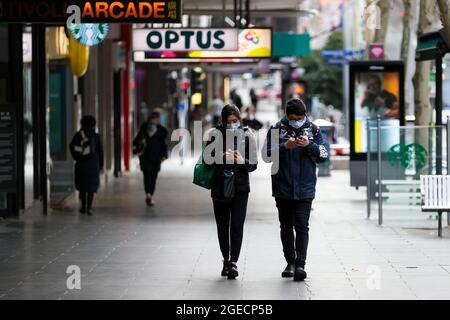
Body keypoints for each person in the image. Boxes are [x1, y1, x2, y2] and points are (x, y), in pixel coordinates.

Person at [262, 98, 328, 281]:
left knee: (302, 226)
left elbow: (324, 154)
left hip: (305, 187)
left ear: (305, 114)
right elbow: (266, 155)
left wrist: (309, 145)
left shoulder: (313, 130)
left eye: (299, 117)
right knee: (285, 226)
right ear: (287, 115)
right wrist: (285, 146)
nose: (296, 120)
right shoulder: (277, 129)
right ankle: (290, 262)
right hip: (282, 186)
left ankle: (301, 264)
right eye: (293, 118)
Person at [204, 104, 257, 280]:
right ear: (223, 121)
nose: (233, 124)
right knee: (222, 226)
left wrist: (242, 161)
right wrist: (220, 156)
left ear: (240, 120)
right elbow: (206, 162)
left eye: (236, 121)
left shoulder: (247, 136)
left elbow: (253, 165)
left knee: (236, 226)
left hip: (241, 188)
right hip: (219, 186)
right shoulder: (214, 135)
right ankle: (226, 259)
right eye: (229, 121)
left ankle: (233, 262)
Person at [69, 115, 104, 216]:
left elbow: (72, 147)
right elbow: (101, 152)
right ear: (94, 124)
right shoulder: (96, 136)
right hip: (93, 165)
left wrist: (77, 158)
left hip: (81, 165)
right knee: (91, 188)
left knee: (82, 187)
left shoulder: (78, 135)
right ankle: (89, 208)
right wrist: (101, 164)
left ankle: (83, 207)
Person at [133, 112, 168, 207]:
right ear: (148, 122)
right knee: (146, 175)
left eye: (154, 122)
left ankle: (150, 194)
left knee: (153, 177)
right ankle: (148, 194)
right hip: (145, 158)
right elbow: (135, 142)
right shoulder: (143, 132)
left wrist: (164, 155)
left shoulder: (161, 133)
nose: (152, 124)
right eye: (150, 122)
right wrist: (140, 142)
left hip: (156, 159)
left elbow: (163, 146)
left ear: (157, 122)